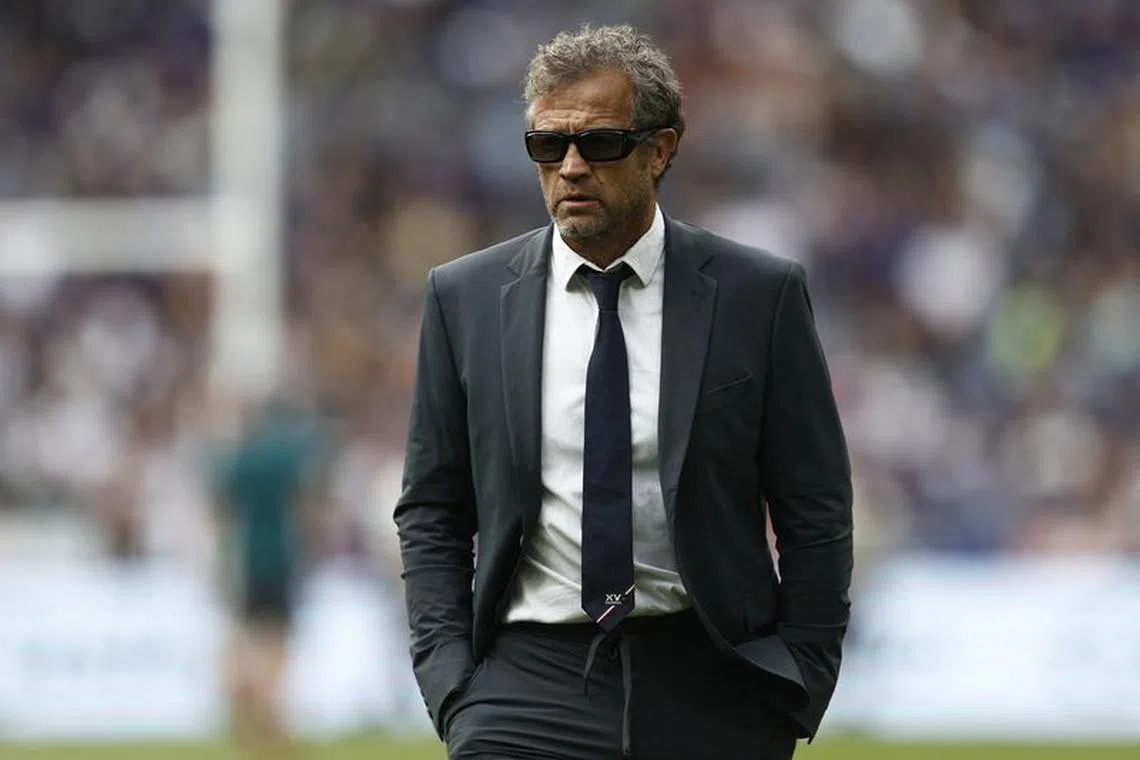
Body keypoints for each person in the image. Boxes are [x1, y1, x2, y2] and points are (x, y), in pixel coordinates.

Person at [394, 24, 853, 760]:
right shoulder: (466, 298)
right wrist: (453, 685)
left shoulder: (757, 296)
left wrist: (800, 676)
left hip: (712, 679)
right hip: (525, 683)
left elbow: (815, 506)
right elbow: (432, 509)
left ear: (661, 149)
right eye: (547, 146)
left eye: (599, 144)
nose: (570, 167)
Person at [213, 398, 326, 760]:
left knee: (250, 637)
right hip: (281, 558)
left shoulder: (240, 459)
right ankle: (268, 718)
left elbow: (224, 509)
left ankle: (250, 705)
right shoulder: (285, 457)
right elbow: (305, 505)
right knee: (277, 648)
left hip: (248, 560)